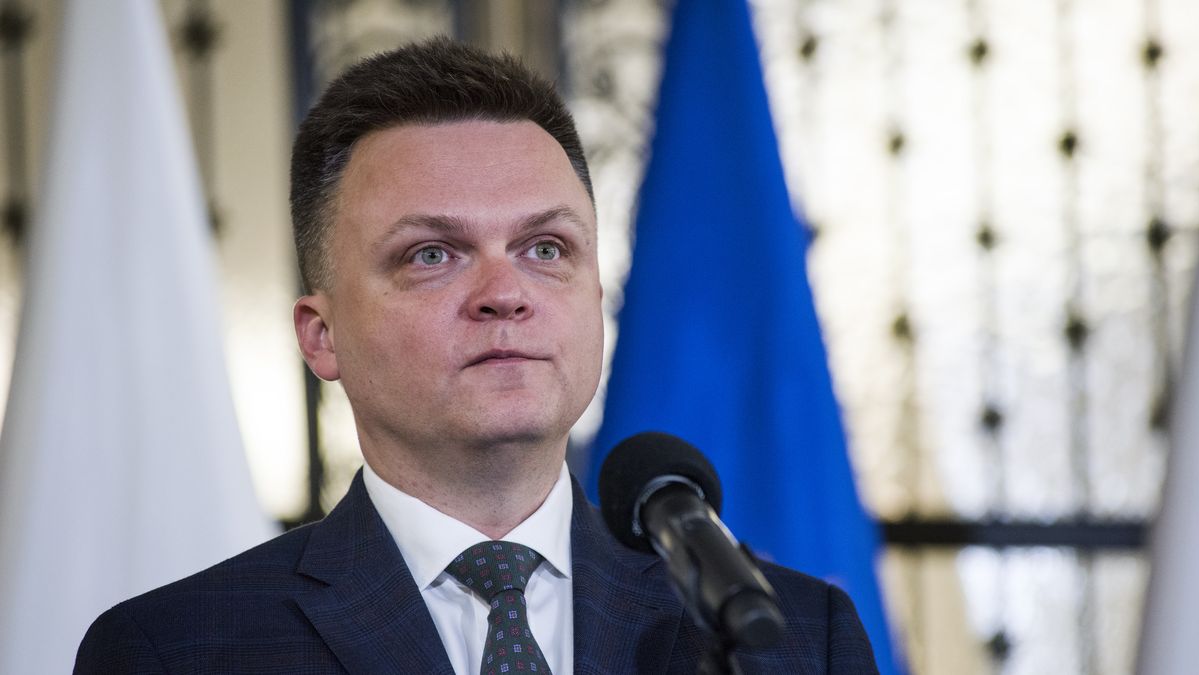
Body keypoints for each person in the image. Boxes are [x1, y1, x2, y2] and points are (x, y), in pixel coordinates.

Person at [74, 38, 879, 674]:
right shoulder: (175, 651)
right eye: (432, 254)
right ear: (322, 336)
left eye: (545, 246)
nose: (506, 292)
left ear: (594, 302)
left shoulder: (795, 636)